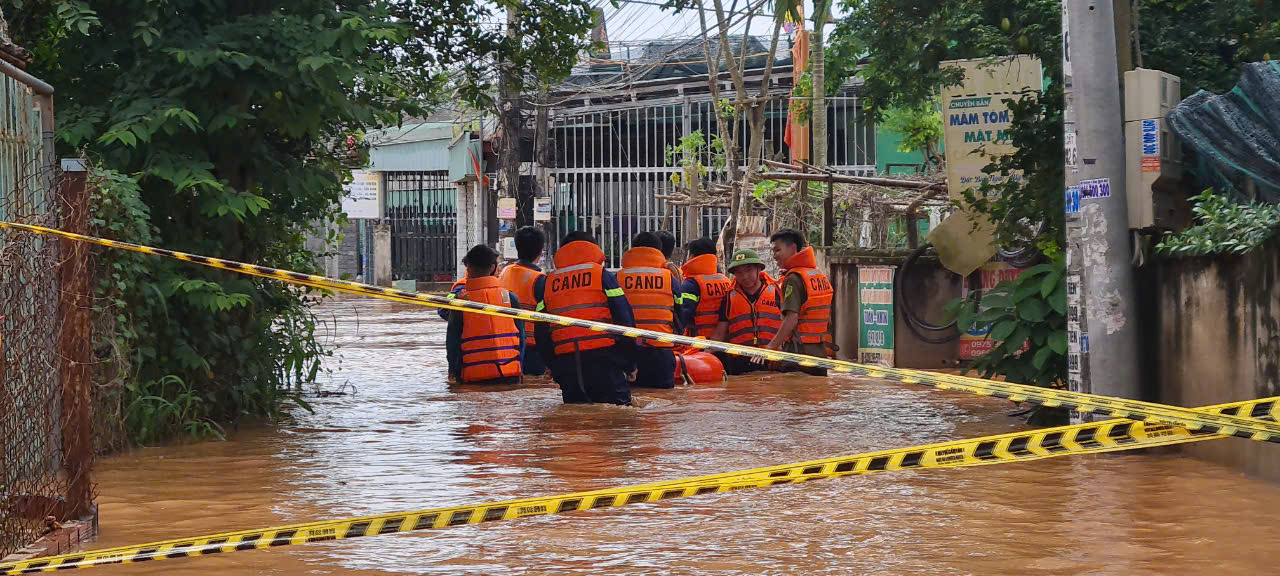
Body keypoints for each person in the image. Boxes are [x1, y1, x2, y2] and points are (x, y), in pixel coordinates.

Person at [535, 231, 637, 405]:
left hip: (568, 366)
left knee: (575, 424)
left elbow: (541, 333)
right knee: (619, 423)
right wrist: (630, 363)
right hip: (606, 362)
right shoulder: (601, 275)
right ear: (592, 248)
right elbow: (624, 319)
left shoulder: (548, 283)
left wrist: (554, 367)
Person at [758, 228, 833, 376]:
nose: (774, 256)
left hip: (797, 353)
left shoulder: (793, 279)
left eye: (777, 250)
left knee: (793, 396)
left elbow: (791, 318)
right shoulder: (818, 275)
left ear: (793, 248)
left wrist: (771, 347)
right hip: (819, 353)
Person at [446, 245, 524, 384]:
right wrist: (520, 367)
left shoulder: (461, 302)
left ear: (468, 268)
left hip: (474, 376)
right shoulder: (510, 298)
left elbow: (452, 341)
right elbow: (521, 338)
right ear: (493, 268)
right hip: (508, 373)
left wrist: (453, 370)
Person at [619, 231, 684, 389]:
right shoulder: (670, 279)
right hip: (661, 353)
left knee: (630, 407)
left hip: (628, 354)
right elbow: (680, 315)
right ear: (659, 251)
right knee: (663, 407)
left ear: (632, 249)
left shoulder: (617, 278)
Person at [712, 249, 783, 375]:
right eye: (739, 272)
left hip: (772, 361)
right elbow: (719, 335)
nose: (744, 276)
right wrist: (703, 355)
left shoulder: (776, 292)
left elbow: (788, 325)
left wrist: (779, 350)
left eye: (749, 270)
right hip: (740, 365)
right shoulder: (729, 297)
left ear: (758, 269)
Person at [499, 226, 549, 376]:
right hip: (533, 351)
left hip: (506, 346)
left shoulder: (503, 272)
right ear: (541, 252)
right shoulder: (539, 280)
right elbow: (548, 320)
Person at [678, 238, 730, 339]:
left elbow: (682, 316)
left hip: (699, 345)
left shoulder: (691, 284)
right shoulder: (727, 281)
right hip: (726, 345)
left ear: (692, 256)